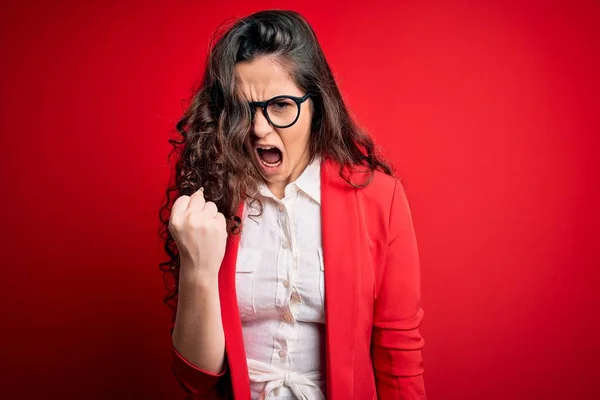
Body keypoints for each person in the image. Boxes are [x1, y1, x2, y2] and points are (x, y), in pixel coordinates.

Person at [158, 9, 426, 400]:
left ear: (316, 104)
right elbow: (198, 379)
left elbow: (399, 358)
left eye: (281, 105)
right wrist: (199, 268)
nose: (258, 128)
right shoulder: (210, 199)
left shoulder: (379, 199)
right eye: (242, 108)